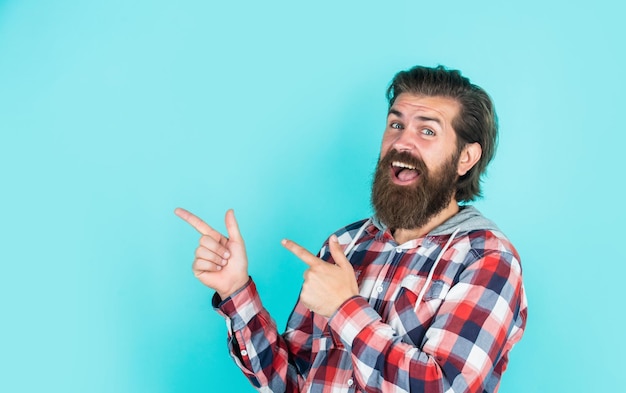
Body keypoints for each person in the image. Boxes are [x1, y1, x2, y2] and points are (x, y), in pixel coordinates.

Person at [175, 65, 527, 393]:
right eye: (396, 125)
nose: (403, 142)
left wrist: (344, 307)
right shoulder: (346, 244)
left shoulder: (486, 259)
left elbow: (445, 385)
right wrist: (236, 291)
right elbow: (292, 382)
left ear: (465, 158)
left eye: (427, 130)